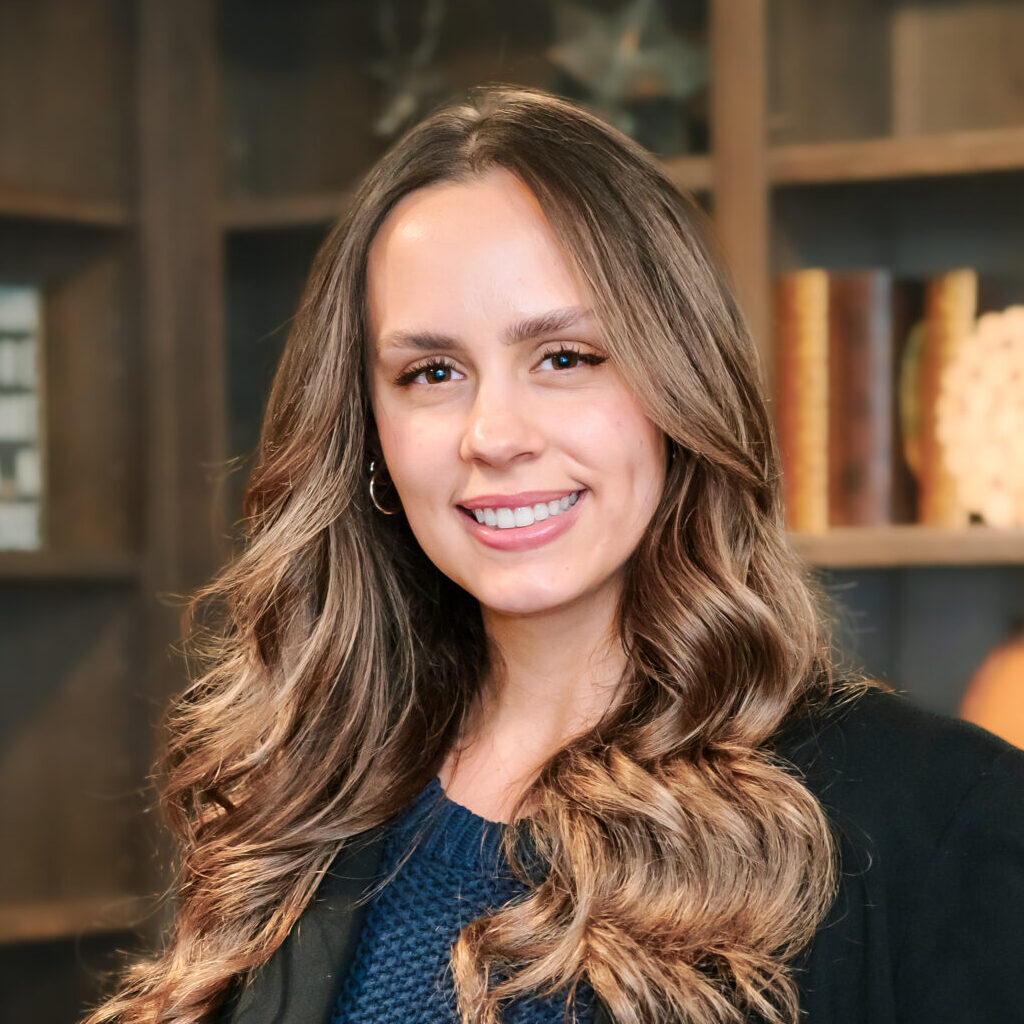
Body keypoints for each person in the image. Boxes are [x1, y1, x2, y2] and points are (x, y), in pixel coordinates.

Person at [83, 84, 1024, 1024]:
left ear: (680, 390)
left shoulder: (944, 819)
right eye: (432, 373)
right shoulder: (297, 793)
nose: (493, 434)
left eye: (565, 357)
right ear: (370, 437)